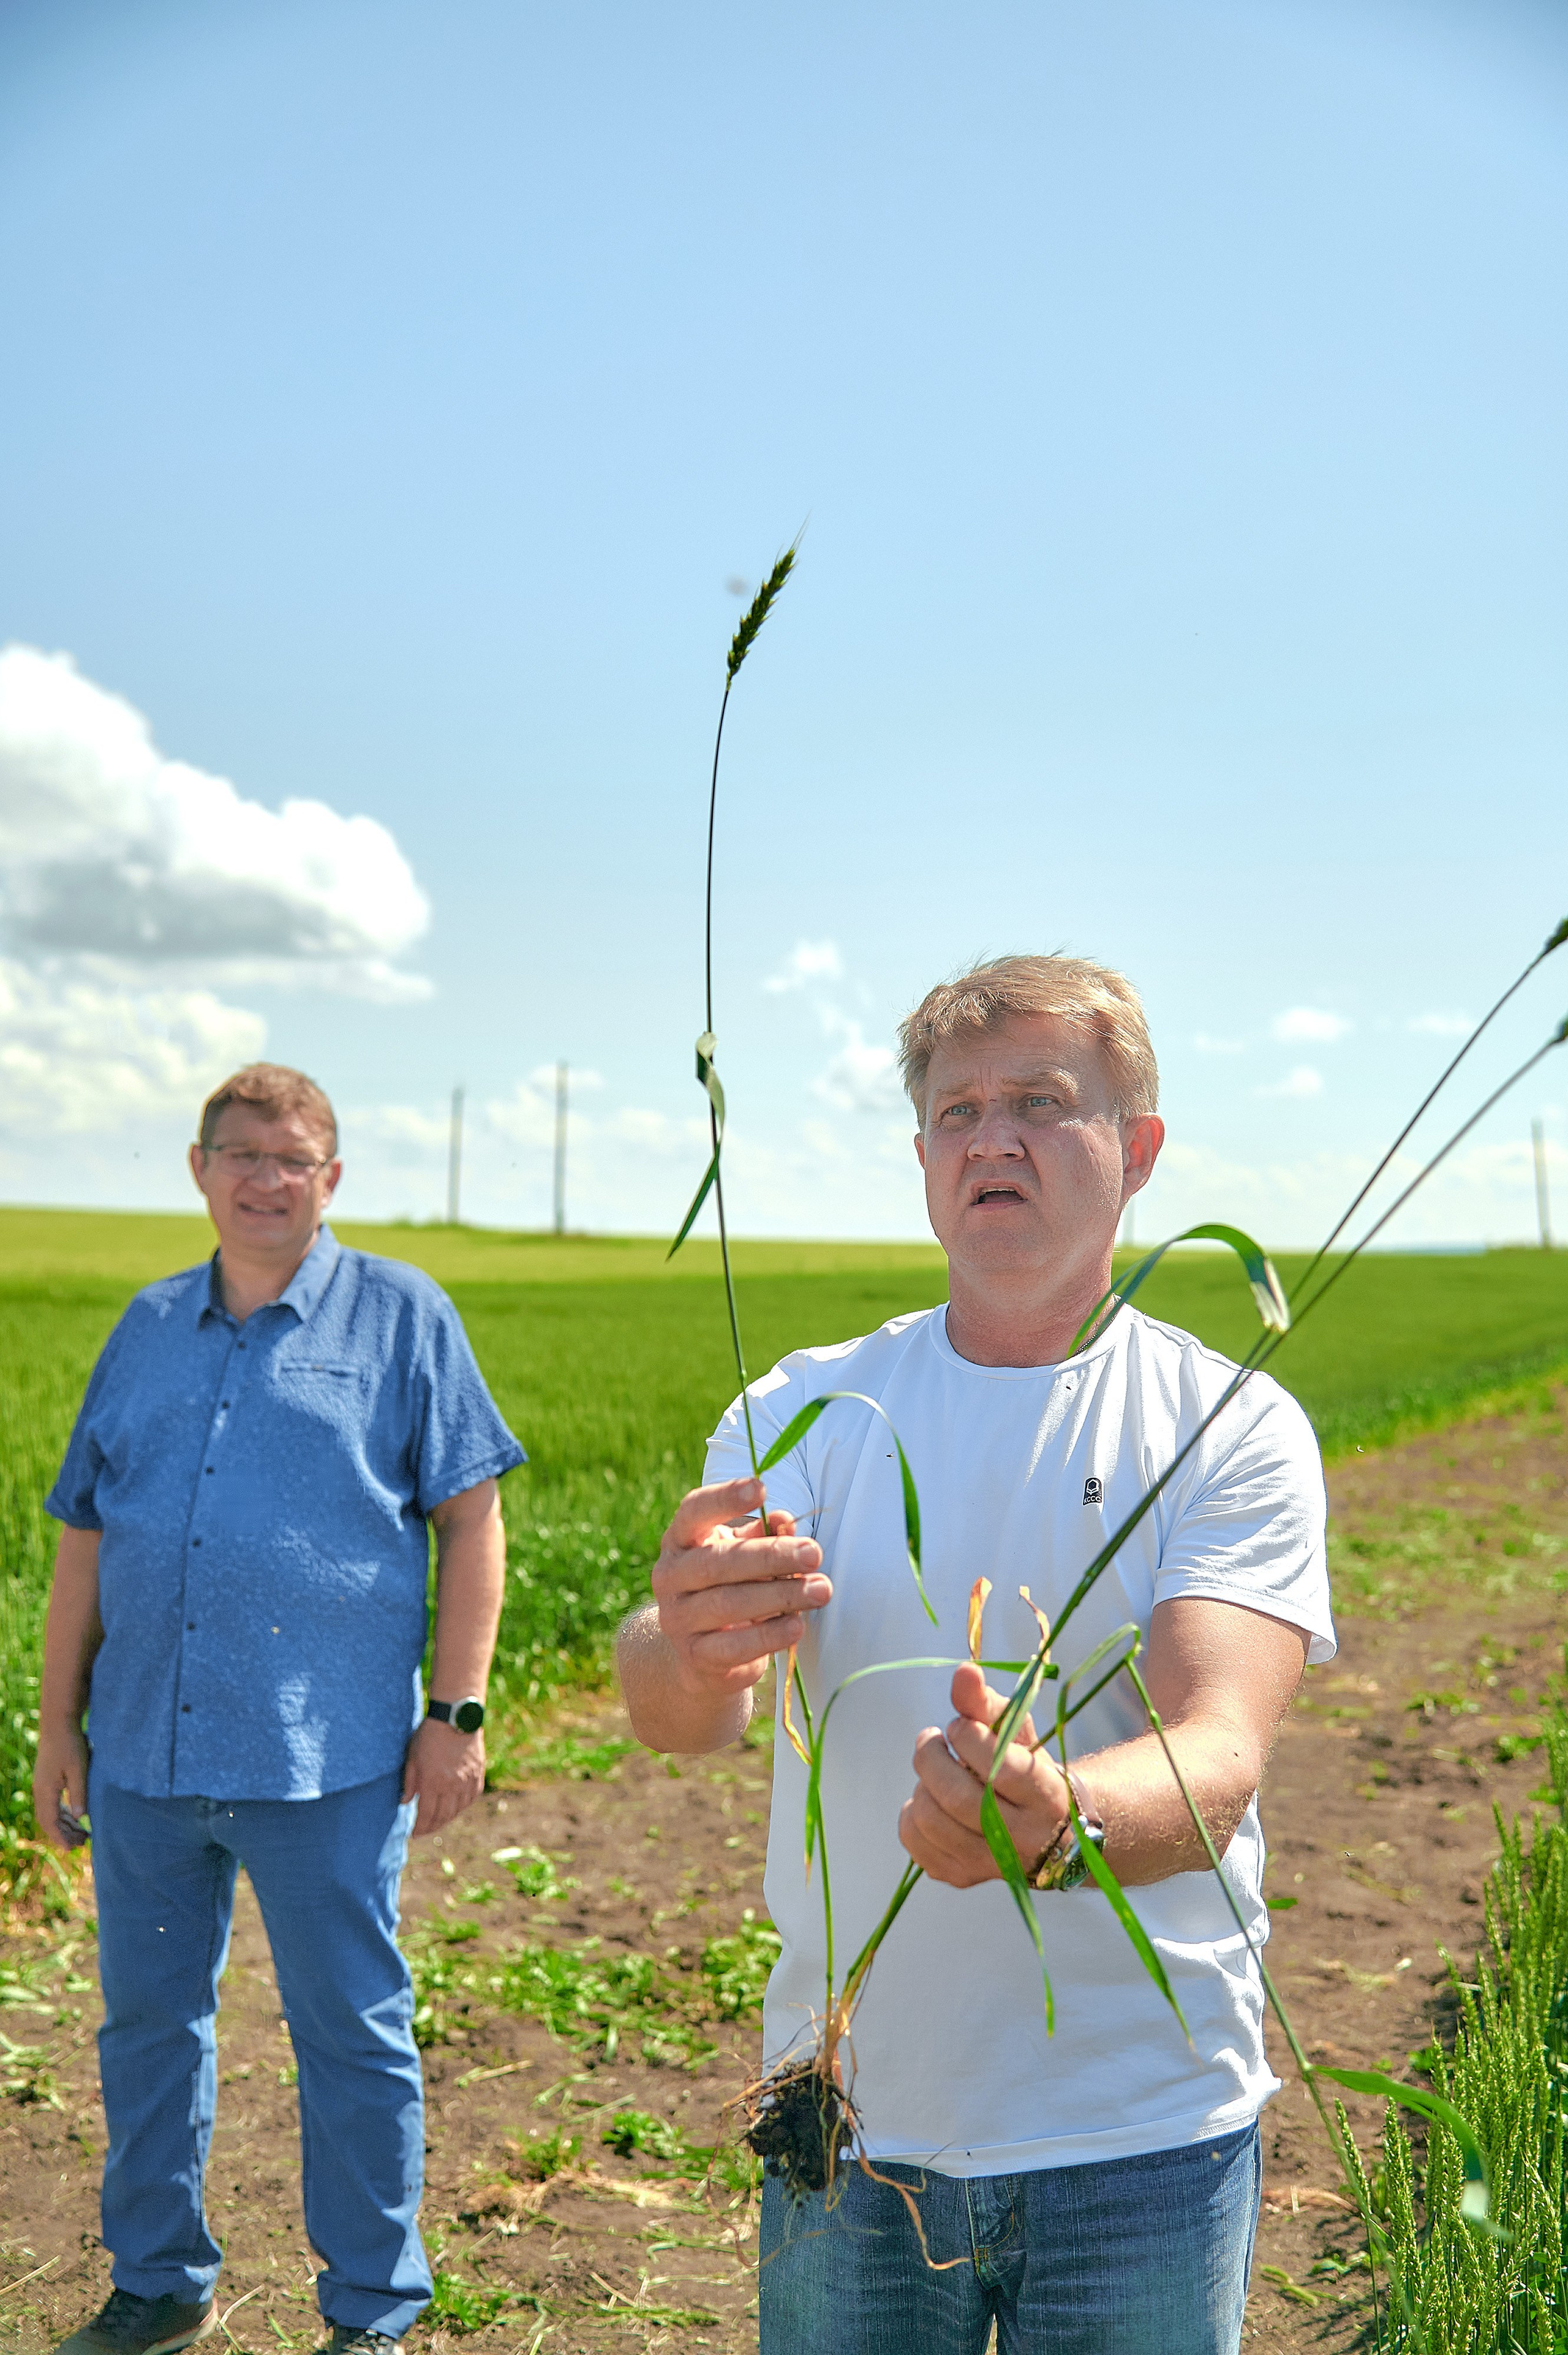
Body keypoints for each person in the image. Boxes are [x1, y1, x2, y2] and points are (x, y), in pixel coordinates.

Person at [617, 954, 1334, 2355]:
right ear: (922, 1152)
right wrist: (686, 1642)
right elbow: (678, 1713)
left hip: (1142, 2128)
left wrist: (1052, 1819)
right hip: (853, 2117)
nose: (990, 1137)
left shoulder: (1226, 1422)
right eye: (956, 1111)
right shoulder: (802, 1409)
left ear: (1136, 1152)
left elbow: (1219, 1755)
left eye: (1039, 1101)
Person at [34, 1064, 526, 2355]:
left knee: (352, 2034)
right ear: (198, 1167)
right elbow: (81, 1542)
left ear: (332, 1178)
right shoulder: (144, 1326)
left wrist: (456, 1711)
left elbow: (472, 1517)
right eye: (239, 1152)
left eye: (292, 1157)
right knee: (147, 2025)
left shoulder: (402, 1315)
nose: (264, 1177)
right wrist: (57, 1731)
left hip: (330, 1758)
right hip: (145, 1747)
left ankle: (371, 2308)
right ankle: (158, 2282)